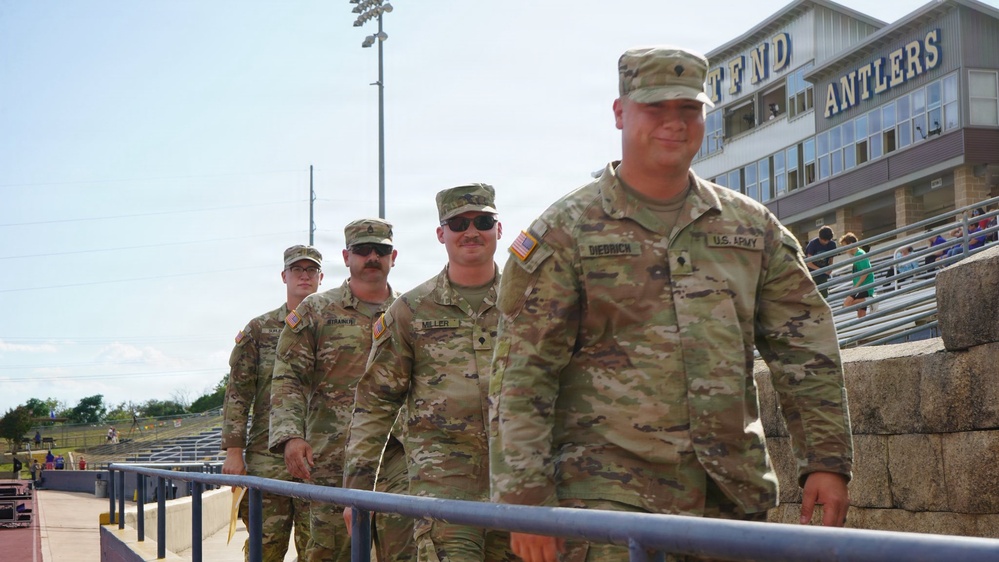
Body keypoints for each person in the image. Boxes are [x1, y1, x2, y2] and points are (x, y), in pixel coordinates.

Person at [489, 46, 853, 562]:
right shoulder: (566, 232)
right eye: (655, 109)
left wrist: (826, 462)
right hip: (608, 509)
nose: (674, 124)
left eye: (688, 109)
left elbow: (806, 351)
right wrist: (524, 501)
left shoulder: (753, 230)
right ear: (620, 112)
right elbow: (522, 375)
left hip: (729, 504)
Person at [343, 184, 516, 562]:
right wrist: (356, 493)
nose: (471, 231)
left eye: (483, 221)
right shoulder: (410, 311)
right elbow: (375, 405)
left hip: (521, 488)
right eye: (458, 223)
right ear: (441, 234)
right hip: (444, 492)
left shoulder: (529, 301)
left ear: (498, 230)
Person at [270, 219, 412, 562]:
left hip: (400, 456)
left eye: (381, 250)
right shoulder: (316, 311)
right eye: (363, 250)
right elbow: (288, 376)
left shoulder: (411, 311)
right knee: (333, 553)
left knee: (404, 552)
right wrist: (291, 436)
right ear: (347, 256)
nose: (372, 257)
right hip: (334, 458)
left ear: (394, 256)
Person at [221, 244, 324, 562]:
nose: (304, 276)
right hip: (267, 459)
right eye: (297, 269)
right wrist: (234, 452)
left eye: (311, 270)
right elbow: (238, 393)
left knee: (319, 548)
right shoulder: (260, 329)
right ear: (284, 276)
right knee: (265, 548)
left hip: (318, 458)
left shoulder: (333, 328)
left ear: (321, 277)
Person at [840, 232, 873, 319]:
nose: (844, 249)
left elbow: (865, 273)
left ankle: (869, 300)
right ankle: (863, 330)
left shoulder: (860, 254)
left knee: (847, 303)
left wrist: (855, 287)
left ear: (850, 244)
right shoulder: (856, 254)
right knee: (861, 315)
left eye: (845, 246)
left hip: (865, 286)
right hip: (861, 286)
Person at [805, 226, 837, 299]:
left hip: (823, 275)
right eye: (824, 240)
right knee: (811, 296)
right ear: (819, 237)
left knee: (824, 296)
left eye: (828, 240)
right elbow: (808, 262)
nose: (826, 242)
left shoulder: (832, 244)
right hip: (812, 274)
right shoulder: (812, 244)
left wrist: (830, 268)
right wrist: (822, 270)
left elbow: (831, 259)